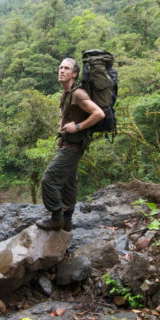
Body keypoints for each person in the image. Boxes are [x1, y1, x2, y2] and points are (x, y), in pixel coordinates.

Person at [35, 57, 105, 231]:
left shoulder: (78, 94)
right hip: (68, 144)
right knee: (69, 182)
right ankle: (66, 220)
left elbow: (99, 113)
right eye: (60, 68)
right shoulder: (67, 93)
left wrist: (77, 127)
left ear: (74, 74)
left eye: (66, 68)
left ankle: (56, 217)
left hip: (73, 147)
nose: (62, 71)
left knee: (49, 179)